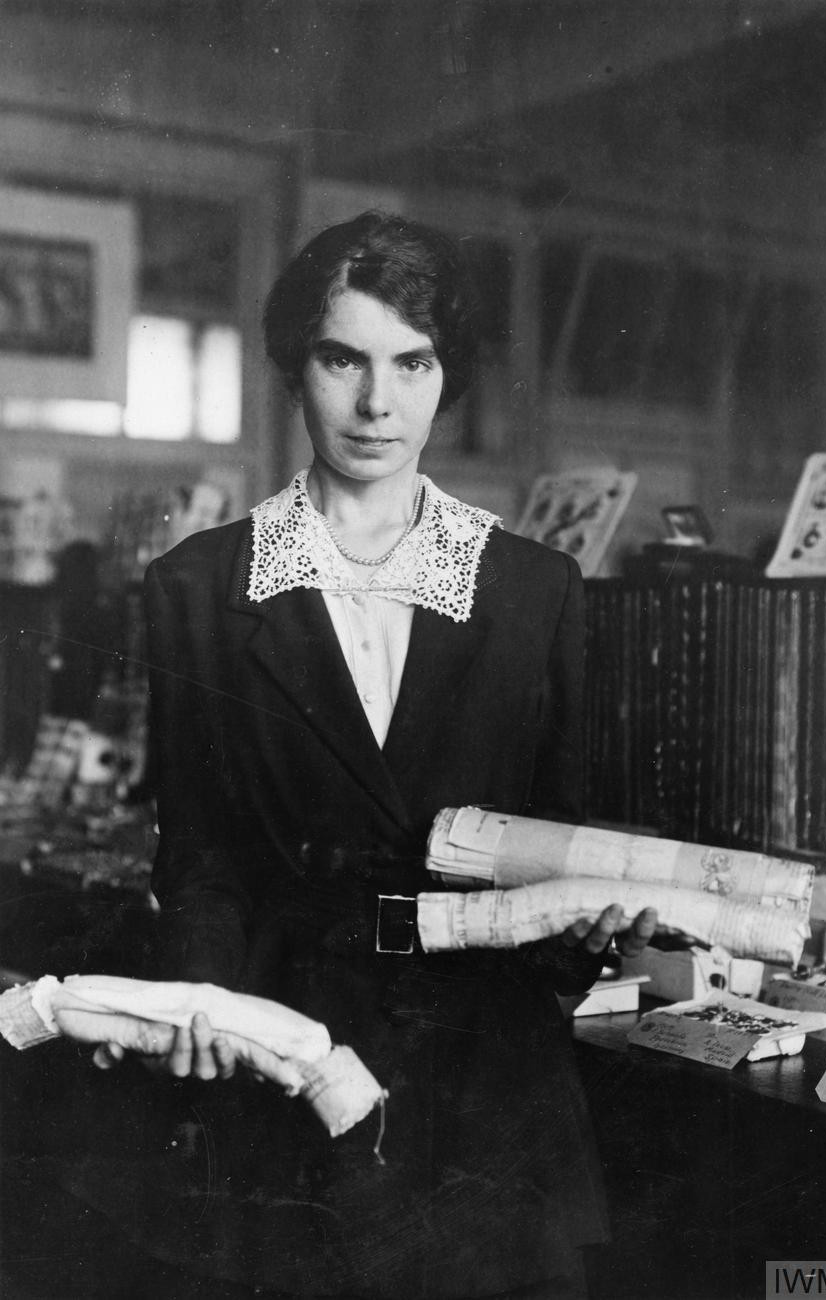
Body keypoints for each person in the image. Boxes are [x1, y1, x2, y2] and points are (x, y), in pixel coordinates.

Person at [100, 210, 658, 1299]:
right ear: (292, 365)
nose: (375, 402)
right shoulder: (198, 588)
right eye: (341, 357)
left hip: (490, 1103)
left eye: (414, 362)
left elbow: (554, 840)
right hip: (293, 1080)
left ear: (448, 376)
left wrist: (590, 927)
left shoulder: (534, 590)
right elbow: (200, 858)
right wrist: (208, 1008)